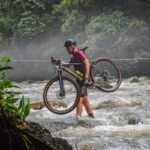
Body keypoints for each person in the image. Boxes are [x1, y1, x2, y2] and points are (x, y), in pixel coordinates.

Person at [64, 39, 94, 119]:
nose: (67, 49)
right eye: (66, 48)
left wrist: (86, 78)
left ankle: (78, 117)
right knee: (85, 99)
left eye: (68, 47)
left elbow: (87, 62)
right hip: (79, 80)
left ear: (72, 46)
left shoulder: (79, 53)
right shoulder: (74, 57)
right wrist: (59, 62)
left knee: (79, 98)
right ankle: (91, 115)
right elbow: (68, 65)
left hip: (83, 79)